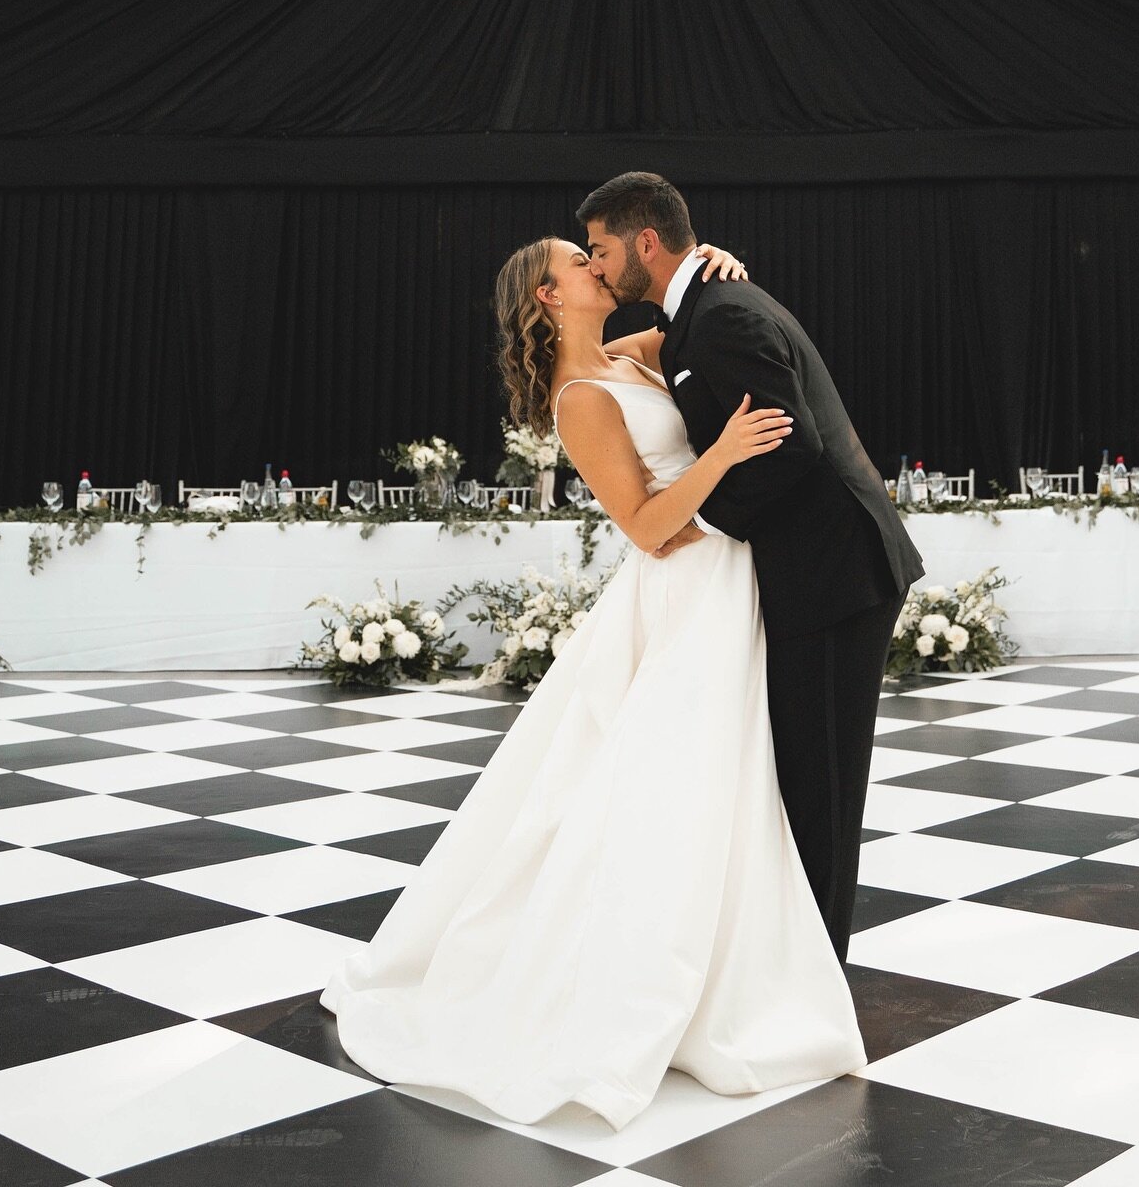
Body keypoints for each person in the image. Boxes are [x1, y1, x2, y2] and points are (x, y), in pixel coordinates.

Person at [320, 235, 867, 1131]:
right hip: (685, 591)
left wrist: (713, 263)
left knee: (728, 787)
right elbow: (648, 527)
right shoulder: (579, 399)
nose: (598, 267)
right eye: (582, 260)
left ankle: (736, 975)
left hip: (729, 582)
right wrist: (725, 453)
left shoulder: (632, 353)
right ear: (549, 296)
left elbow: (688, 318)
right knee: (667, 790)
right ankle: (641, 987)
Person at [579, 173, 925, 957]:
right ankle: (788, 962)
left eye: (601, 250)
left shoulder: (723, 315)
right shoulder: (699, 312)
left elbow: (791, 450)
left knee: (822, 789)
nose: (597, 266)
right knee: (797, 778)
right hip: (812, 573)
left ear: (644, 242)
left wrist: (691, 521)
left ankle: (816, 977)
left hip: (835, 577)